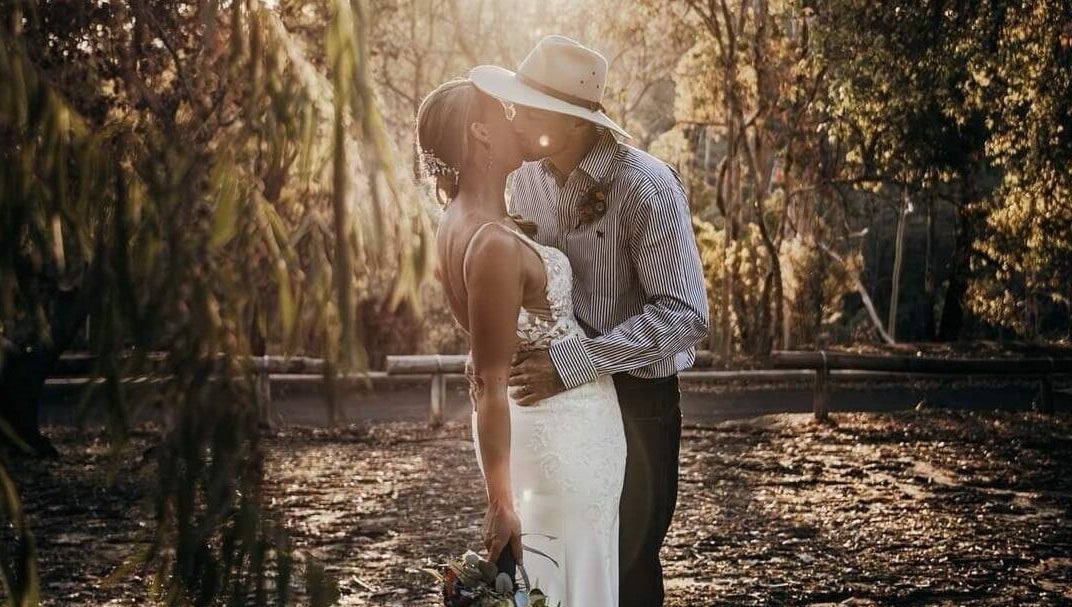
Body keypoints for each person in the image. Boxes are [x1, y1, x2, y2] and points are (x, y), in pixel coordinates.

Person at [470, 35, 709, 607]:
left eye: (528, 106)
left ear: (573, 122)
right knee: (555, 560)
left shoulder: (645, 187)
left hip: (637, 405)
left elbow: (684, 316)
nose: (514, 115)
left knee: (625, 566)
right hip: (552, 415)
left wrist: (574, 363)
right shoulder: (525, 180)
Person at [417, 74, 627, 605]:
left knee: (560, 579)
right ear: (481, 136)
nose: (520, 121)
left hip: (560, 436)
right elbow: (487, 380)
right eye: (507, 113)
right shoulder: (491, 242)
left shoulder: (462, 222)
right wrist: (501, 503)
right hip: (558, 443)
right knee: (566, 580)